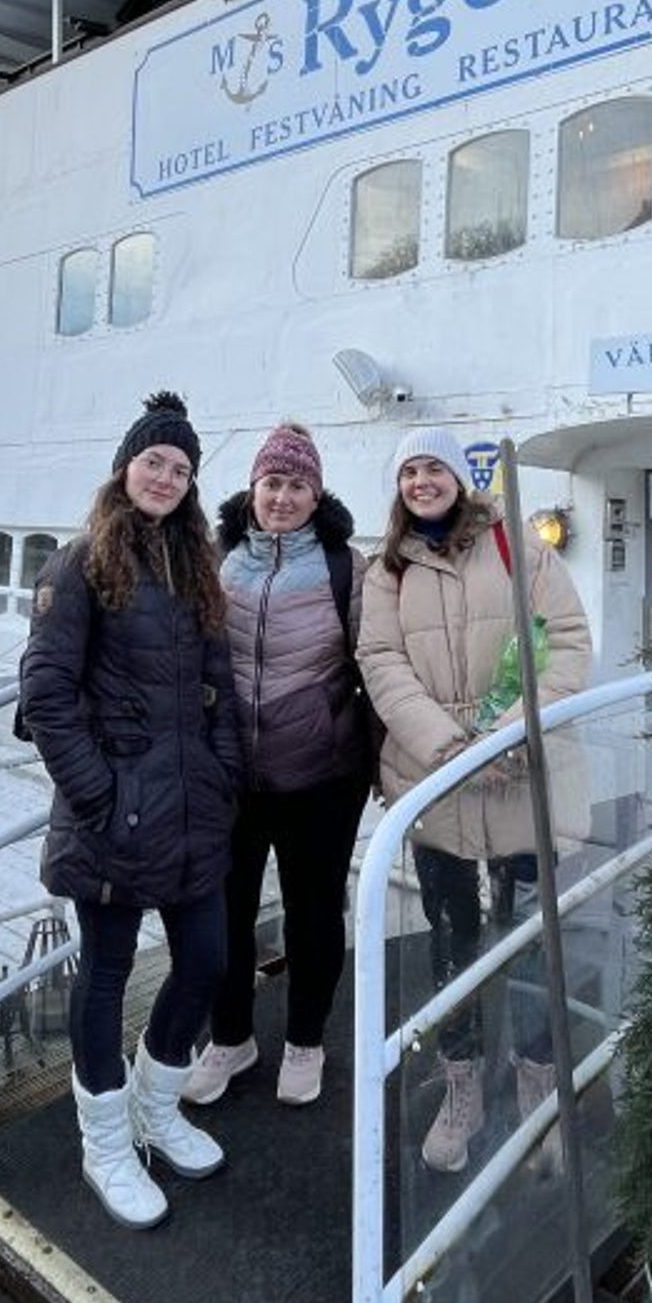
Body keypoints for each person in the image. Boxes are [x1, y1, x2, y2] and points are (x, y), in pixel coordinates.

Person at [19, 390, 245, 1228]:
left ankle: (157, 1107)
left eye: (181, 468)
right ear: (124, 468)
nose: (166, 477)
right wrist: (100, 797)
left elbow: (218, 685)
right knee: (106, 976)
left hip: (191, 810)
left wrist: (224, 773)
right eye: (154, 461)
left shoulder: (196, 571)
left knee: (207, 962)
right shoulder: (80, 564)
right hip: (113, 817)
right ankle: (106, 1141)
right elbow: (45, 693)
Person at [358, 426, 592, 1174]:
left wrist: (506, 734)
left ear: (461, 478)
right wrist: (450, 747)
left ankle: (537, 1086)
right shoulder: (387, 569)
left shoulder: (518, 547)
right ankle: (464, 1089)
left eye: (434, 469)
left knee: (529, 941)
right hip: (436, 784)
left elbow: (567, 640)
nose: (422, 481)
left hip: (524, 777)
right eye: (410, 472)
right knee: (453, 943)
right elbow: (381, 660)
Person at [184, 421, 372, 1111]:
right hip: (231, 772)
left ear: (315, 494)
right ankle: (230, 1038)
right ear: (252, 488)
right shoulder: (221, 554)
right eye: (272, 483)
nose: (283, 497)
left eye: (297, 485)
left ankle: (305, 1040)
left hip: (320, 775)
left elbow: (373, 660)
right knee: (224, 912)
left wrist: (383, 761)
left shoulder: (342, 565)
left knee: (313, 912)